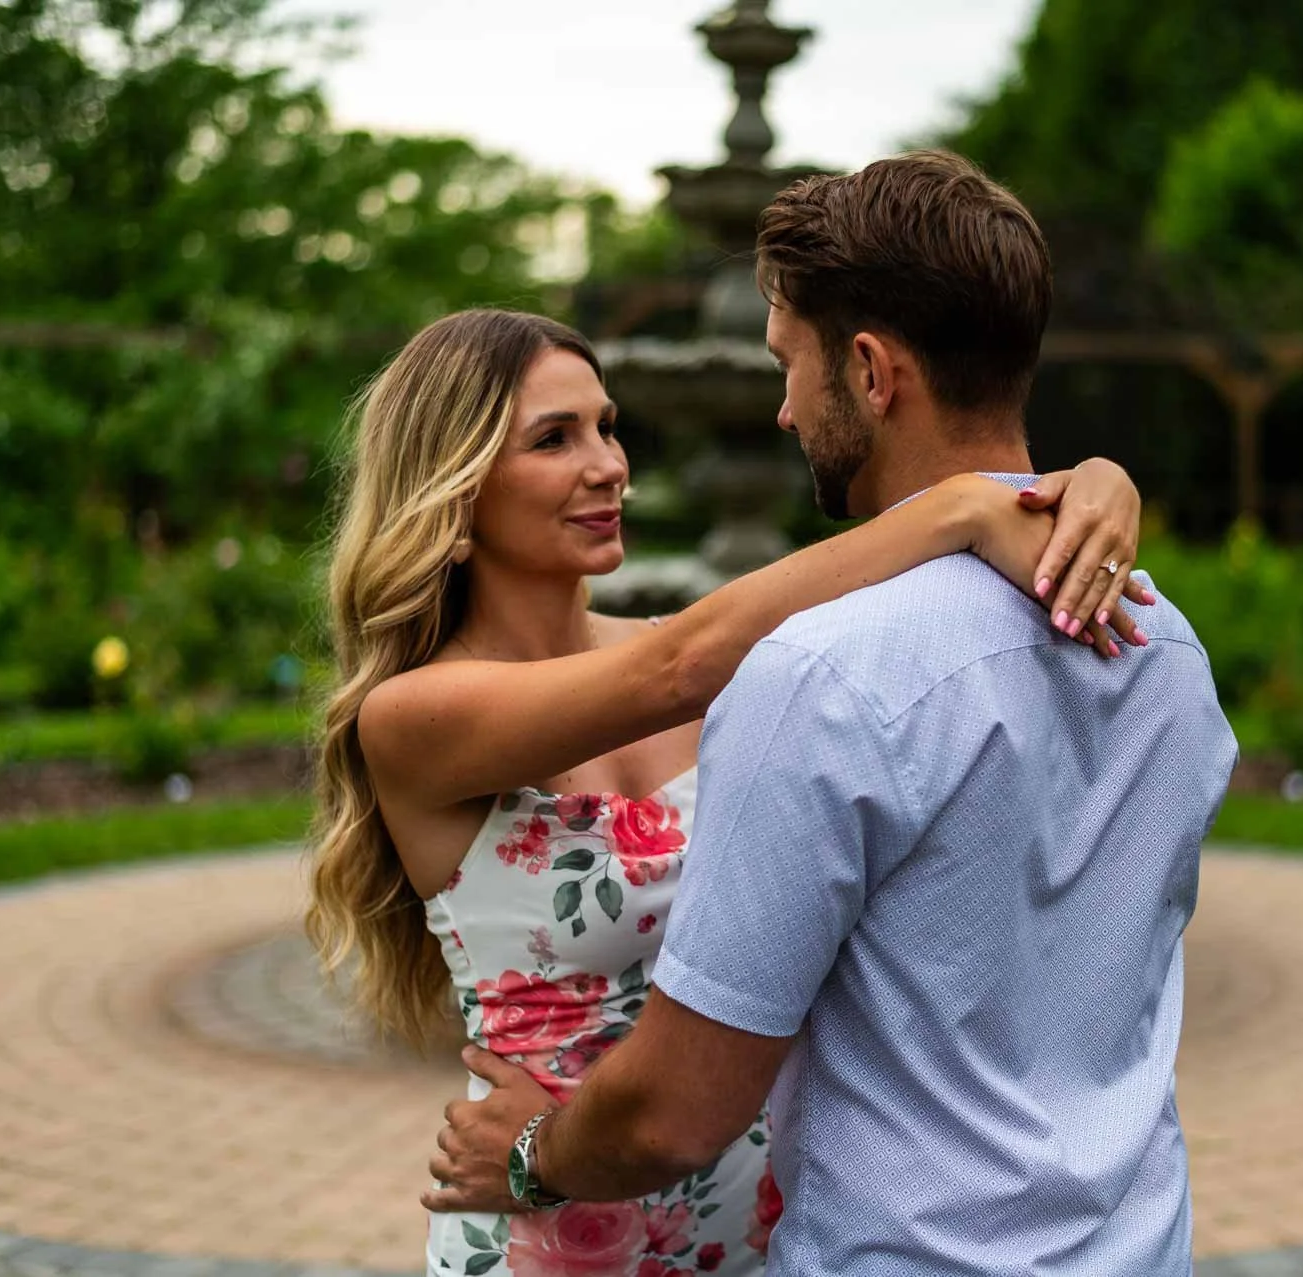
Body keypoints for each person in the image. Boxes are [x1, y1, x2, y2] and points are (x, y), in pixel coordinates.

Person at [425, 152, 1239, 1276]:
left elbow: (673, 1112)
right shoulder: (1168, 646)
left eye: (791, 366)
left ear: (870, 371)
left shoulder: (822, 676)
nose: (781, 408)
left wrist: (528, 1152)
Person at [304, 306, 1156, 1277]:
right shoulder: (415, 717)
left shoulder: (701, 651)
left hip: (771, 1232)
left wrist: (1093, 485)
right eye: (554, 438)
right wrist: (964, 506)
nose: (609, 465)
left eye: (607, 425)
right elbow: (678, 665)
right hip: (553, 1233)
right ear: (451, 489)